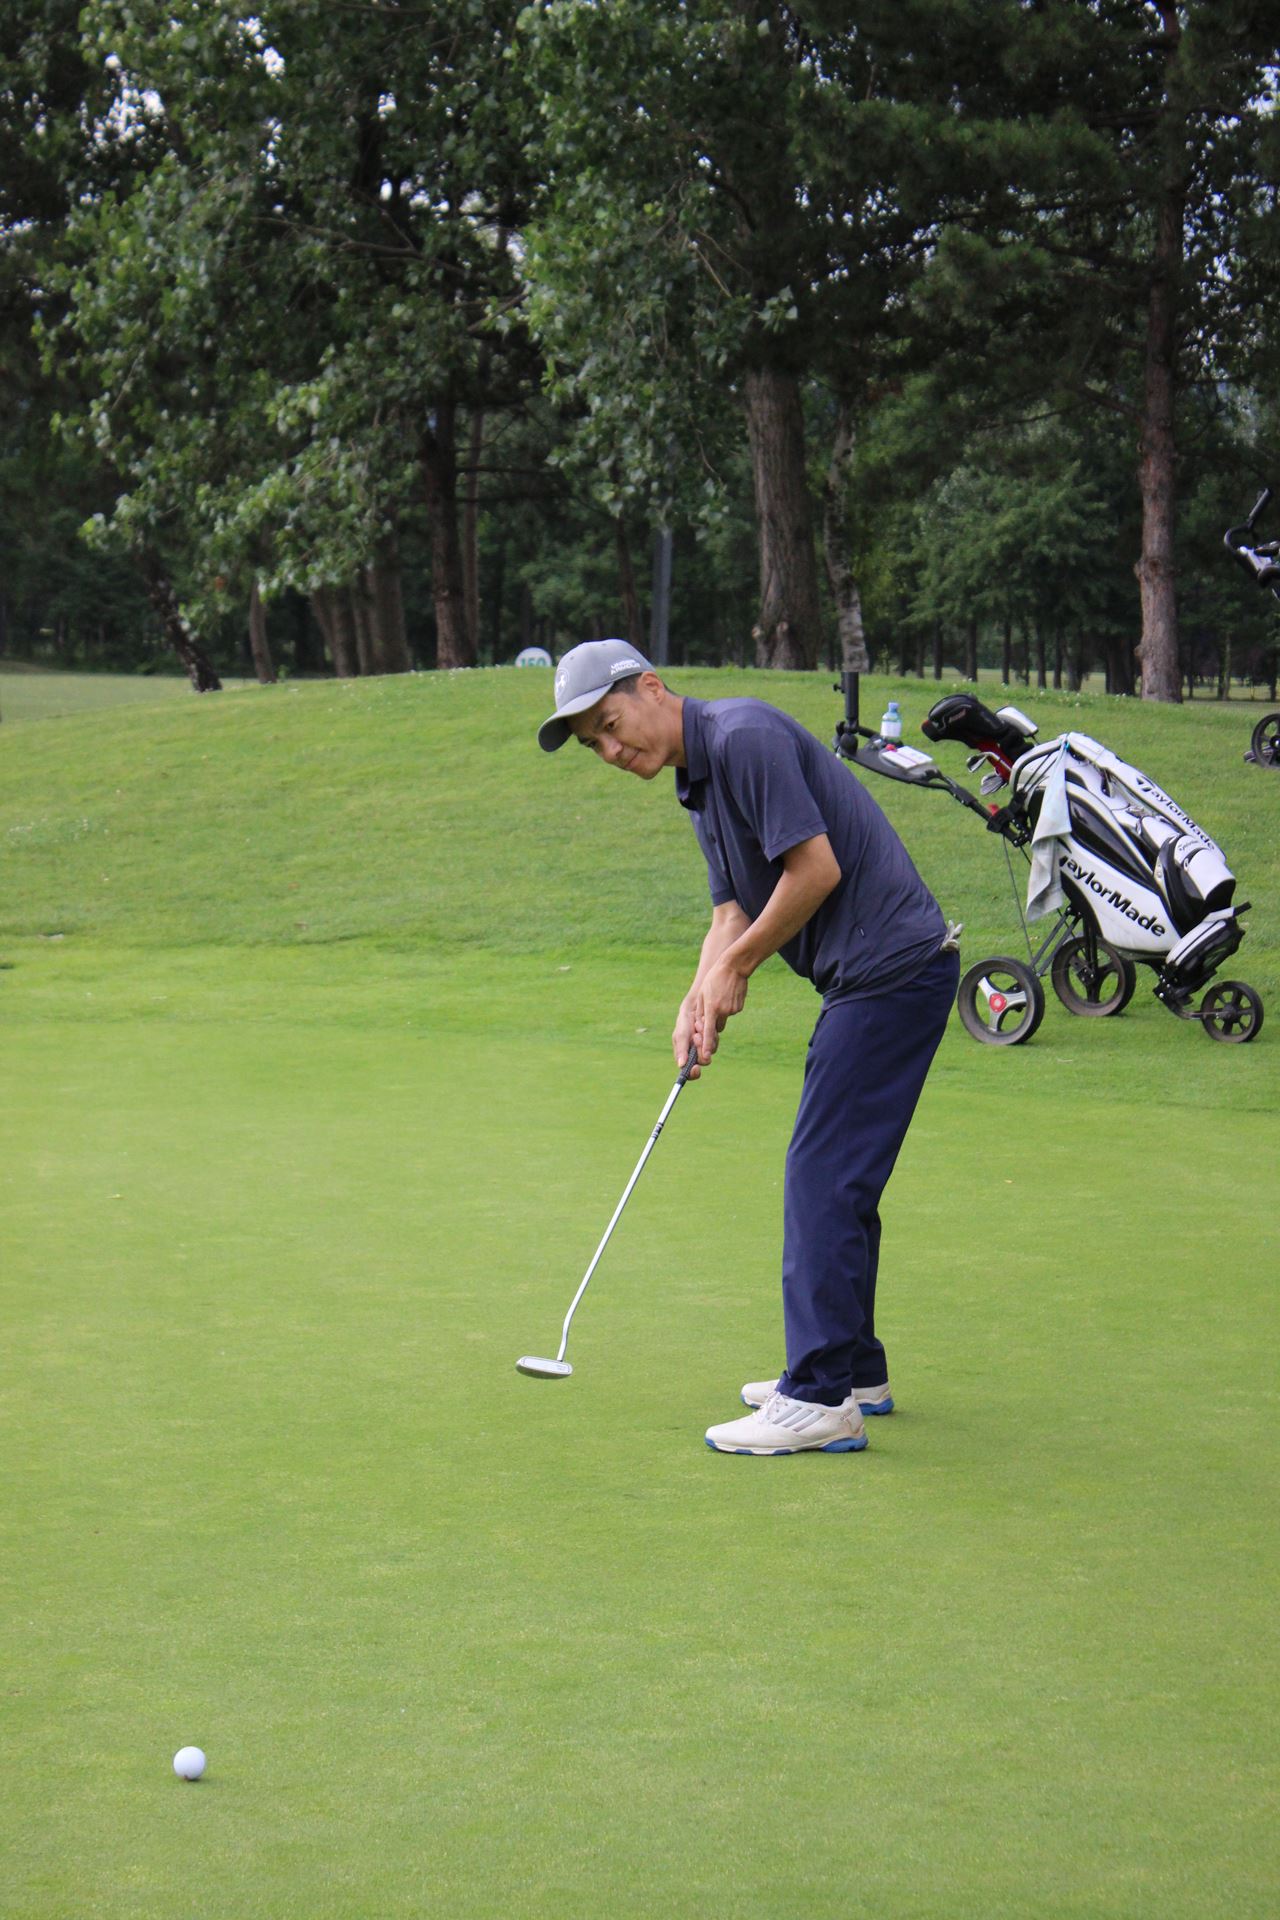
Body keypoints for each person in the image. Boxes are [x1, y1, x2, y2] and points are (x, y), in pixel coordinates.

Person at [538, 639, 959, 1456]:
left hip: (893, 971)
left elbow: (815, 870)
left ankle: (818, 1397)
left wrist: (736, 969)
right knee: (839, 1177)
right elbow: (729, 912)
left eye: (611, 726)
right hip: (874, 976)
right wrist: (698, 998)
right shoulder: (699, 785)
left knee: (821, 1175)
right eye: (594, 745)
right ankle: (853, 1372)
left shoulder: (744, 738)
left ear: (651, 688)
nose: (611, 752)